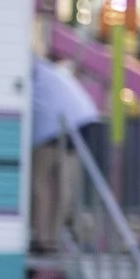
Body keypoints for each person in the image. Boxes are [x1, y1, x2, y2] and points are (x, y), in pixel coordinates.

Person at [26, 45, 103, 252]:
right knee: (63, 181)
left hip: (56, 121)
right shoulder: (50, 71)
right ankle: (53, 237)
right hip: (84, 118)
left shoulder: (29, 71)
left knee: (39, 179)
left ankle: (41, 236)